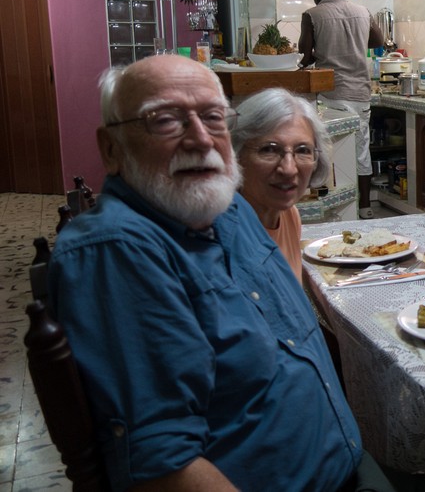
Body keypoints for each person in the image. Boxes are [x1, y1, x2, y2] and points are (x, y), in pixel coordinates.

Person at [46, 55, 383, 491]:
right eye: (165, 120)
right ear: (112, 149)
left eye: (213, 117)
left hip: (344, 465)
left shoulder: (230, 208)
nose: (201, 138)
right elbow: (162, 465)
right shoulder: (118, 251)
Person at [299, 0, 384, 220]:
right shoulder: (363, 11)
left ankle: (336, 211)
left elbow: (304, 55)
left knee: (331, 151)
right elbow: (378, 41)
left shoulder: (312, 14)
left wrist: (317, 53)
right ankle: (365, 207)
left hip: (332, 93)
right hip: (360, 93)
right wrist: (353, 44)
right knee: (361, 149)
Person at [232, 87, 333, 284]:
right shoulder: (225, 233)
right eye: (269, 149)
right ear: (236, 155)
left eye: (302, 150)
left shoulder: (288, 215)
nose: (288, 169)